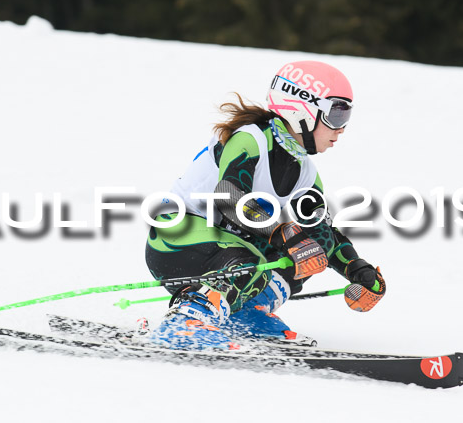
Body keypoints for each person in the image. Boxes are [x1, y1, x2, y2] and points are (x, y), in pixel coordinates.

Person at [144, 60, 386, 350]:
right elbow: (228, 198)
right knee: (260, 257)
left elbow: (323, 233)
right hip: (177, 238)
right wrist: (284, 234)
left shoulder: (304, 170)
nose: (342, 128)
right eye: (336, 113)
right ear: (302, 109)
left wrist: (358, 270)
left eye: (346, 115)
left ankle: (244, 315)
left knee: (312, 246)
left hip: (225, 246)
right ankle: (186, 320)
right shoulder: (250, 139)